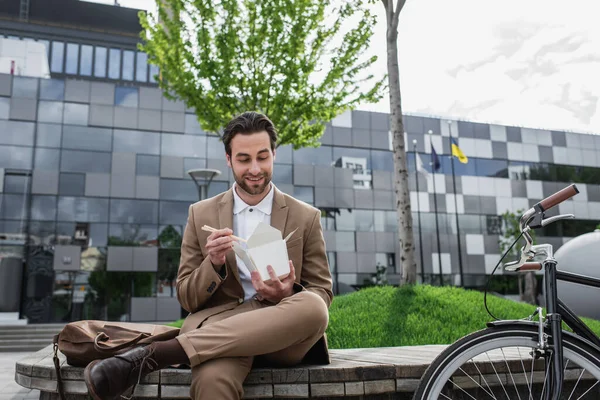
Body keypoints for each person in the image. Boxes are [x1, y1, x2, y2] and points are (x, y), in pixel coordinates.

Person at [84, 111, 333, 400]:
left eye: (263, 157)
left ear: (274, 154)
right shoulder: (200, 213)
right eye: (243, 159)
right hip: (219, 334)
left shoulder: (306, 216)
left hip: (282, 339)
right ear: (228, 159)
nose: (255, 168)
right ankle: (157, 355)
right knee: (212, 383)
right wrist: (212, 264)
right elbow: (187, 297)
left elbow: (323, 291)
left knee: (314, 307)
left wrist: (287, 292)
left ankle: (157, 354)